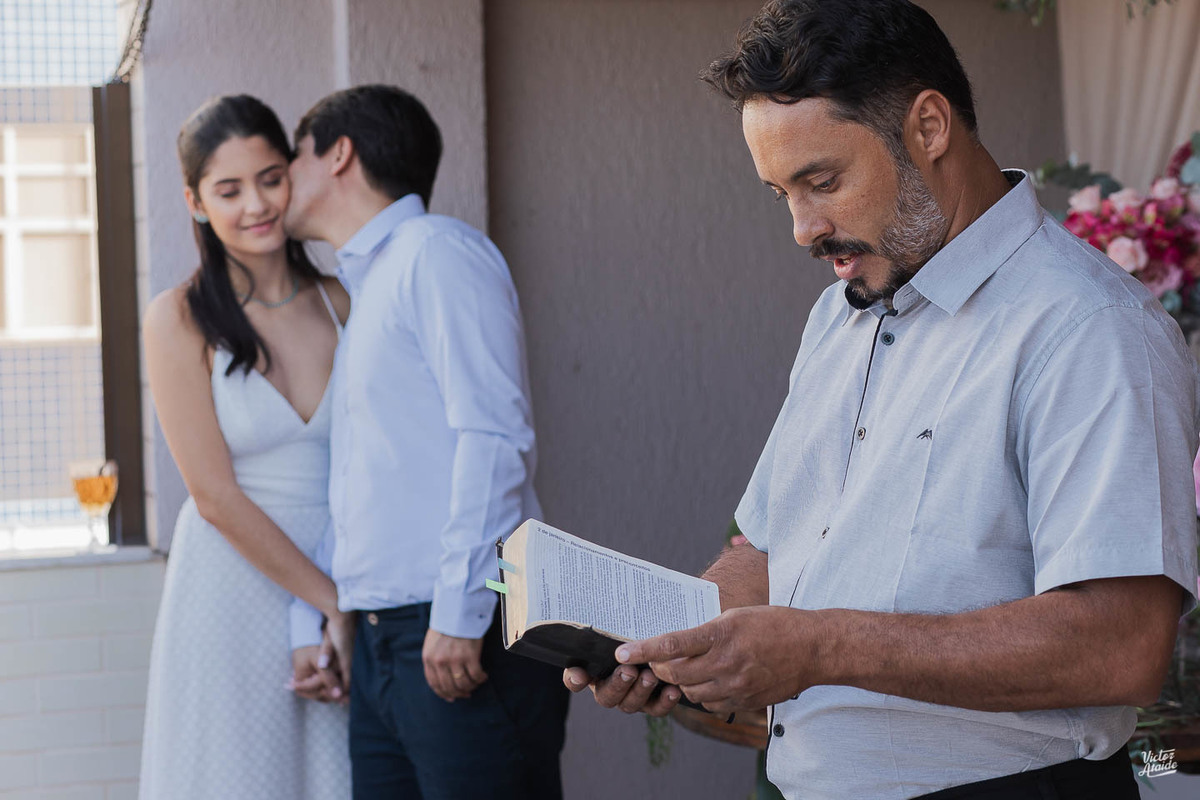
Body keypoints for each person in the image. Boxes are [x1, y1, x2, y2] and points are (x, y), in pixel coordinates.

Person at [567, 2, 1200, 798]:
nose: (802, 229)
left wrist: (819, 649)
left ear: (929, 126)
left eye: (821, 181)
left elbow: (1121, 646)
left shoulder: (1091, 328)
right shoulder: (838, 317)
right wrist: (673, 644)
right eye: (781, 195)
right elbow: (767, 550)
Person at [283, 84, 569, 800]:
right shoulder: (371, 282)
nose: (279, 181)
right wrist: (339, 612)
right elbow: (369, 481)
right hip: (386, 643)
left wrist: (458, 613)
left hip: (454, 632)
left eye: (292, 156)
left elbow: (495, 438)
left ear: (338, 153)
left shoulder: (437, 254)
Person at [140, 95, 353, 800]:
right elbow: (214, 495)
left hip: (338, 565)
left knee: (335, 778)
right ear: (196, 202)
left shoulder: (341, 301)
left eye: (269, 178)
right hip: (232, 585)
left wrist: (342, 602)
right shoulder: (178, 318)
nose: (255, 204)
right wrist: (333, 604)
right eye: (227, 190)